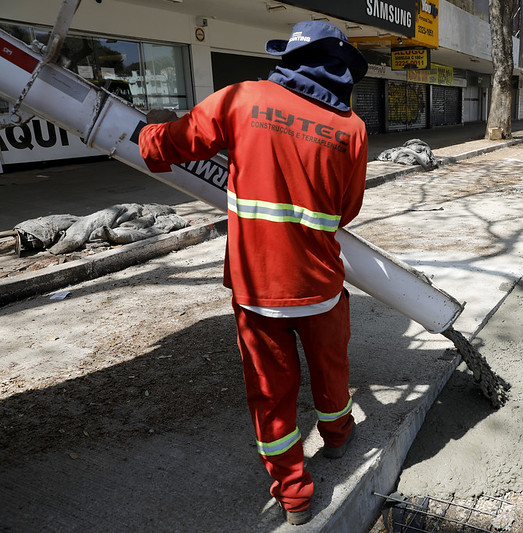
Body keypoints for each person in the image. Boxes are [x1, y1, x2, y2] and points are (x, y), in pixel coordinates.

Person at [138, 20, 368, 526]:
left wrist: (146, 134)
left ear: (289, 59)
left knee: (271, 392)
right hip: (323, 286)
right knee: (331, 370)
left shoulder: (242, 100)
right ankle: (337, 436)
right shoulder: (352, 128)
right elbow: (347, 209)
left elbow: (173, 144)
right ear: (341, 69)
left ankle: (294, 494)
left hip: (259, 288)